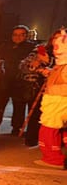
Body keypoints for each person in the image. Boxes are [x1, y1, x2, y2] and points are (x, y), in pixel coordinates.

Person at [0, 25, 36, 135]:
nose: (18, 37)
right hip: (4, 80)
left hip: (20, 82)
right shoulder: (5, 46)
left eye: (21, 35)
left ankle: (16, 128)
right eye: (15, 35)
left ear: (26, 36)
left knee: (19, 106)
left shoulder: (31, 48)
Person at [36, 29, 66, 167]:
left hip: (58, 102)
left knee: (49, 129)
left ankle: (54, 159)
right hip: (54, 102)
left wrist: (52, 90)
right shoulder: (61, 65)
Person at [17, 44, 51, 147]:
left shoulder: (61, 54)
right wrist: (36, 67)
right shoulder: (38, 52)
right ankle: (32, 138)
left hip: (56, 88)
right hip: (37, 87)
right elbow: (23, 66)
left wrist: (48, 66)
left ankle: (51, 139)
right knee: (35, 114)